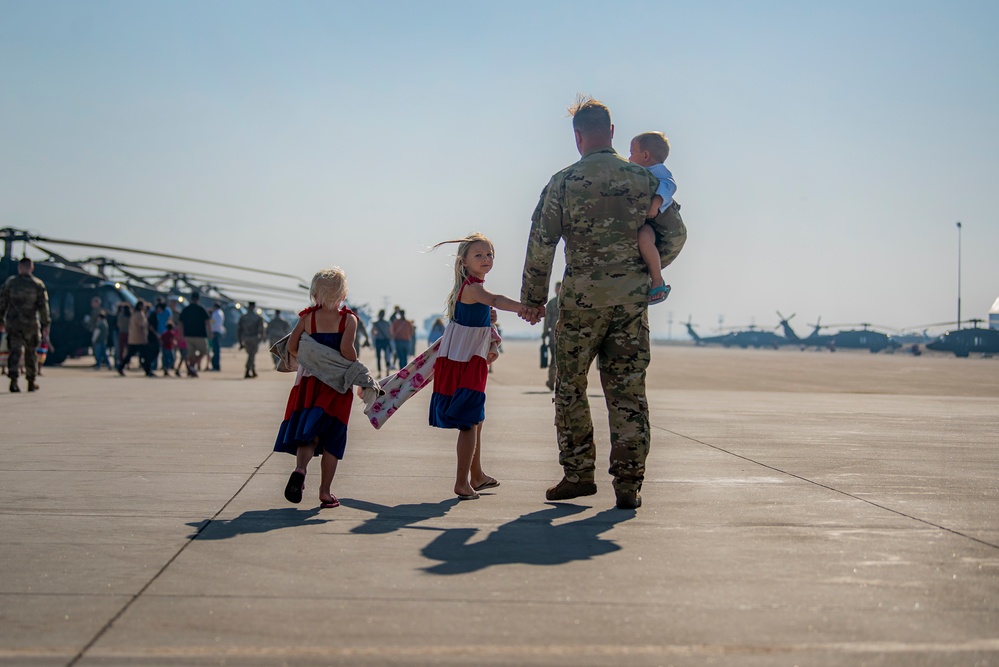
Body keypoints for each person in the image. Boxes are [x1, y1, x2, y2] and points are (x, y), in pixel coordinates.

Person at [519, 96, 660, 510]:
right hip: (630, 305)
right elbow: (676, 232)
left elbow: (541, 242)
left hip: (581, 303)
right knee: (628, 393)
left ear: (577, 136)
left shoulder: (564, 181)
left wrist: (532, 300)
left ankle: (579, 474)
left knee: (570, 388)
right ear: (612, 132)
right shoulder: (643, 179)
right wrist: (642, 270)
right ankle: (629, 485)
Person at [430, 233, 527, 500]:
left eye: (489, 255)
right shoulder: (474, 288)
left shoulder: (473, 289)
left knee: (477, 420)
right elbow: (495, 299)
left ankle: (477, 475)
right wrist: (524, 308)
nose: (486, 259)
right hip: (466, 363)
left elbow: (487, 309)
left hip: (467, 360)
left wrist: (489, 316)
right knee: (469, 422)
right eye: (479, 255)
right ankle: (462, 482)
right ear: (464, 261)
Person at [274, 267, 358, 509]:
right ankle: (325, 491)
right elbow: (347, 351)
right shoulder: (348, 320)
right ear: (343, 295)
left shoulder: (307, 318)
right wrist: (354, 368)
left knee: (308, 433)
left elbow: (291, 347)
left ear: (314, 294)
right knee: (333, 435)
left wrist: (313, 360)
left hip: (310, 384)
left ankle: (300, 469)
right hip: (336, 386)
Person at [629, 131, 686, 304]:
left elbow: (669, 185)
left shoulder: (658, 171)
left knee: (644, 239)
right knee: (643, 239)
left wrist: (657, 201)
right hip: (649, 223)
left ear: (645, 155)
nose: (629, 158)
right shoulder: (641, 173)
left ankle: (657, 281)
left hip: (658, 226)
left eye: (632, 153)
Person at [0, 257, 50, 392]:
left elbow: (2, 303)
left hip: (14, 324)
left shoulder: (11, 283)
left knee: (14, 352)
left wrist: (1, 320)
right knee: (31, 353)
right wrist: (46, 325)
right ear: (31, 268)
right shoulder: (38, 284)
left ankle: (14, 381)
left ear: (19, 268)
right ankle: (31, 381)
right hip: (31, 324)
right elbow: (43, 308)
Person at [118, 300, 154, 377]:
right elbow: (142, 326)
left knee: (130, 354)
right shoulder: (139, 315)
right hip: (139, 339)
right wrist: (145, 336)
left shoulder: (134, 314)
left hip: (133, 338)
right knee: (145, 355)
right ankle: (148, 370)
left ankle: (121, 367)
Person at [178, 293, 211, 377]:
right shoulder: (201, 309)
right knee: (203, 352)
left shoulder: (186, 309)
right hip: (200, 335)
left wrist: (181, 334)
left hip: (188, 335)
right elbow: (207, 322)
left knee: (191, 355)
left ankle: (191, 367)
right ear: (198, 299)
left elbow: (180, 323)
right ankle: (192, 367)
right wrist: (210, 332)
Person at [237, 301, 265, 378]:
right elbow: (261, 330)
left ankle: (252, 370)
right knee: (251, 355)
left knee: (250, 355)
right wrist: (260, 339)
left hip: (246, 338)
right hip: (254, 338)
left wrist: (240, 342)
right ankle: (247, 370)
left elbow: (239, 330)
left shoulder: (243, 317)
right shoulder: (258, 318)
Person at [542, 281, 561, 390]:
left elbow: (547, 321)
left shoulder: (553, 303)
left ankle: (551, 381)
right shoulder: (569, 301)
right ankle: (554, 381)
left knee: (554, 360)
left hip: (555, 335)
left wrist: (545, 333)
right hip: (564, 336)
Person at [370, 309, 393, 375]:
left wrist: (376, 335)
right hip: (386, 341)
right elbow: (391, 333)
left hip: (378, 341)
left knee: (378, 357)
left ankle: (379, 372)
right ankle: (387, 371)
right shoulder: (388, 323)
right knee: (387, 356)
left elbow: (372, 332)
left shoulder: (376, 323)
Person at [209, 302, 225, 371]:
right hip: (217, 332)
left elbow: (214, 324)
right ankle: (215, 365)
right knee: (216, 350)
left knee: (216, 350)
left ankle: (216, 366)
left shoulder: (217, 314)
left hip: (216, 332)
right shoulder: (219, 313)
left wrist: (211, 331)